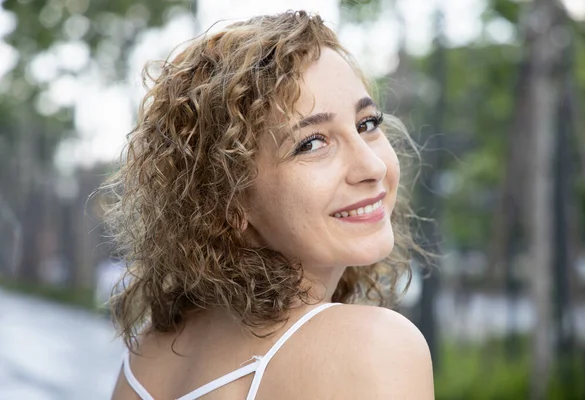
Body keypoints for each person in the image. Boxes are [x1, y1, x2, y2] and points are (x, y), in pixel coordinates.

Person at [105, 10, 434, 399]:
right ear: (229, 201)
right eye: (312, 143)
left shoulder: (149, 352)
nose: (373, 166)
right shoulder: (371, 345)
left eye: (367, 124)